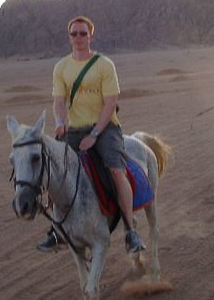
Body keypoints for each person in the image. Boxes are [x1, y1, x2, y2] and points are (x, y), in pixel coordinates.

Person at [37, 15, 146, 254]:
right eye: (74, 33)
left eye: (83, 33)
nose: (78, 37)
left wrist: (95, 134)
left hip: (105, 128)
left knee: (116, 170)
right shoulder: (61, 67)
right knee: (55, 169)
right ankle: (57, 230)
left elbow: (110, 103)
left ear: (91, 36)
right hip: (74, 130)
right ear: (69, 37)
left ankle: (130, 231)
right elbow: (58, 101)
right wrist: (59, 122)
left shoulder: (104, 65)